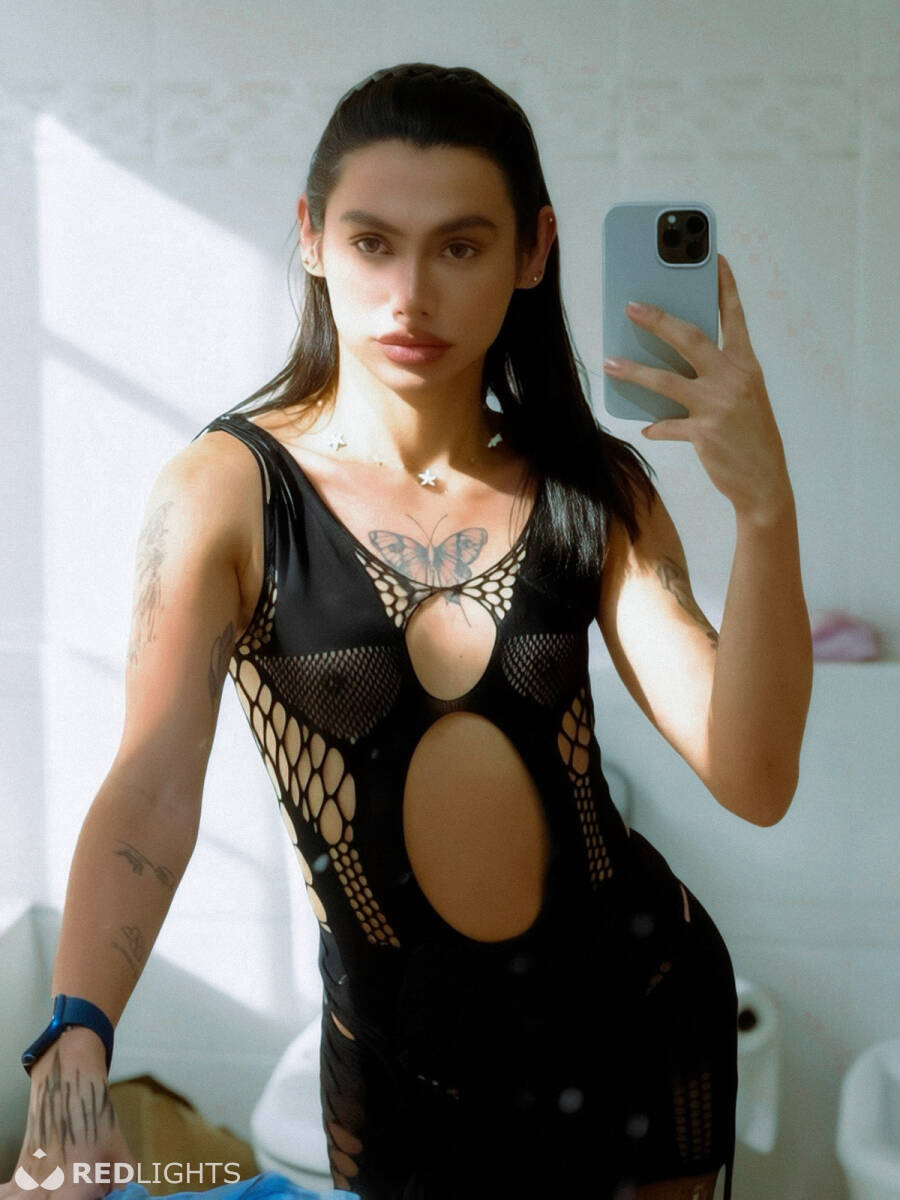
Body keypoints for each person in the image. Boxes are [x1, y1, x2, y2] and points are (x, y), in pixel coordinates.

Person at [4, 63, 813, 1200]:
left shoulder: (591, 489)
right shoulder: (229, 491)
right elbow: (150, 788)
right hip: (399, 1080)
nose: (410, 295)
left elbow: (757, 776)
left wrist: (764, 508)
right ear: (312, 238)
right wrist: (72, 1057)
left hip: (638, 1023)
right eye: (373, 242)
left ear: (533, 251)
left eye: (461, 246)